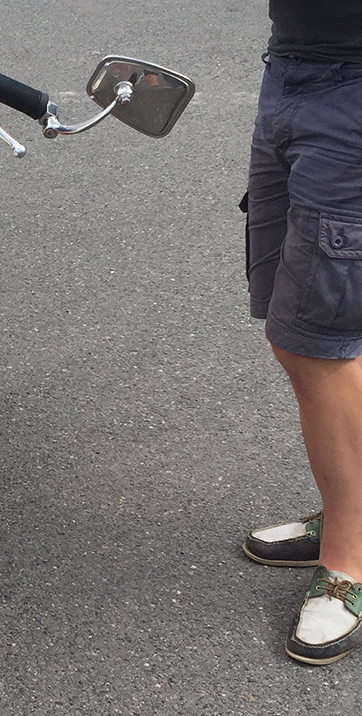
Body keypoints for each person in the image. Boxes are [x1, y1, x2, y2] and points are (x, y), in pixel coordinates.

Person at [239, 2, 362, 665]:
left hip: (351, 88)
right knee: (305, 327)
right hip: (291, 65)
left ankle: (351, 558)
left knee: (316, 339)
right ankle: (348, 509)